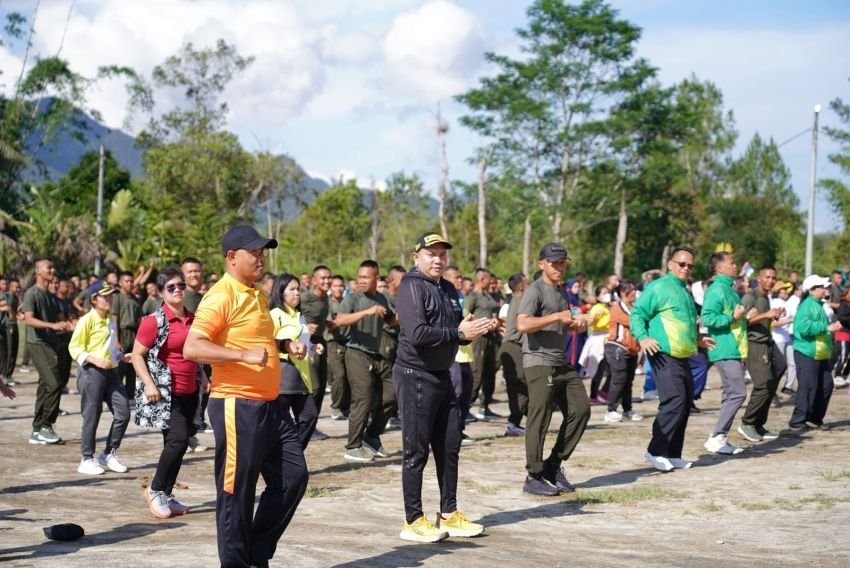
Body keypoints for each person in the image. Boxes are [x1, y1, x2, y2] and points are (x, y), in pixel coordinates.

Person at [183, 224, 308, 568]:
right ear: (231, 257)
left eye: (263, 252)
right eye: (253, 252)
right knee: (237, 491)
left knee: (293, 476)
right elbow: (193, 347)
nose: (261, 257)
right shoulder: (221, 295)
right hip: (237, 403)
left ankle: (255, 552)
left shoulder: (258, 294)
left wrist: (284, 346)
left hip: (272, 403)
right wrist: (242, 356)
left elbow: (256, 340)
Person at [394, 232, 491, 543]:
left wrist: (470, 330)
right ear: (416, 256)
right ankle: (413, 520)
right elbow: (417, 333)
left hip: (442, 374)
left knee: (449, 446)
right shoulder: (411, 286)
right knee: (416, 451)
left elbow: (456, 330)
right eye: (430, 253)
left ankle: (448, 514)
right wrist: (456, 331)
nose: (438, 259)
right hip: (415, 374)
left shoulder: (448, 288)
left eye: (442, 254)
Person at [132, 267, 209, 518]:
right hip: (167, 392)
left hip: (191, 389)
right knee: (177, 441)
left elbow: (195, 352)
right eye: (171, 287)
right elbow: (136, 355)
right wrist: (150, 385)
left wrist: (205, 377)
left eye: (181, 286)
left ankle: (165, 493)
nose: (177, 290)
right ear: (161, 292)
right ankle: (155, 489)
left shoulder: (192, 318)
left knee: (179, 443)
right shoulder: (154, 321)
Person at [631, 246, 715, 472]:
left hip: (682, 356)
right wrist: (643, 337)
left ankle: (673, 453)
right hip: (663, 354)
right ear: (670, 265)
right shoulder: (659, 287)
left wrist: (697, 339)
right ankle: (655, 451)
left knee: (685, 402)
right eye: (681, 263)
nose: (686, 268)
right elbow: (637, 313)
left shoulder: (684, 291)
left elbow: (682, 323)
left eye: (690, 265)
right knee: (674, 401)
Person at [517, 243, 591, 496]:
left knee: (581, 409)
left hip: (560, 361)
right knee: (541, 416)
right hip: (538, 361)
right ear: (541, 264)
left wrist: (573, 326)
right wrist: (556, 318)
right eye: (554, 263)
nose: (559, 267)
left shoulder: (560, 292)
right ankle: (533, 475)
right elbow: (523, 324)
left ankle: (552, 465)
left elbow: (560, 322)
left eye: (562, 263)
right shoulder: (534, 291)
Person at [336, 260, 397, 462]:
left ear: (376, 278)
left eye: (366, 277)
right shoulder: (353, 298)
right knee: (363, 399)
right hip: (356, 353)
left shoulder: (382, 297)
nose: (361, 280)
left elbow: (390, 320)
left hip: (376, 354)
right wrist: (366, 312)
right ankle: (353, 446)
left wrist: (405, 315)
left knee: (392, 394)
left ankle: (372, 435)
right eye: (359, 276)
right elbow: (340, 320)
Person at [67, 280, 131, 475]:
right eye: (106, 296)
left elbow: (109, 347)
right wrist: (94, 360)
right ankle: (86, 458)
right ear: (94, 299)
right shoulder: (87, 320)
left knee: (123, 412)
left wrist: (119, 356)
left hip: (111, 372)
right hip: (91, 373)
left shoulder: (111, 318)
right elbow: (74, 347)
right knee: (91, 416)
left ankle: (109, 453)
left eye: (112, 295)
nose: (110, 299)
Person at [700, 252, 754, 455]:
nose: (736, 265)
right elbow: (707, 318)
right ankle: (717, 436)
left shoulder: (730, 289)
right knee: (739, 393)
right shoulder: (717, 290)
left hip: (735, 348)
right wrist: (733, 316)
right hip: (723, 348)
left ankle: (720, 437)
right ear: (719, 268)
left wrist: (745, 317)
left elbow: (734, 319)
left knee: (731, 394)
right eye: (732, 262)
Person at [269, 273, 322, 448]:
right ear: (280, 292)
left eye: (298, 289)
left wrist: (313, 347)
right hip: (283, 378)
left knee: (309, 417)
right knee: (281, 425)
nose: (297, 293)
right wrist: (287, 348)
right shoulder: (274, 315)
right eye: (291, 289)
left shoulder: (300, 316)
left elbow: (303, 341)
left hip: (303, 378)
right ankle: (283, 459)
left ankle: (292, 455)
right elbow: (268, 343)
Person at [24, 257, 73, 445]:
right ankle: (46, 425)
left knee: (45, 386)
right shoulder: (32, 294)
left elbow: (64, 321)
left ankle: (37, 430)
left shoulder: (52, 297)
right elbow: (28, 319)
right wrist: (52, 325)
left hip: (51, 344)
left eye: (53, 267)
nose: (52, 270)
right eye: (48, 267)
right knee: (54, 385)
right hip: (37, 343)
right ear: (38, 271)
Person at [738, 266, 786, 442]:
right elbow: (741, 321)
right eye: (767, 277)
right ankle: (747, 423)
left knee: (772, 384)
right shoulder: (751, 296)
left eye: (774, 278)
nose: (771, 281)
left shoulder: (766, 297)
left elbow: (759, 318)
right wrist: (767, 314)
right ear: (759, 278)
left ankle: (758, 424)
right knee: (763, 385)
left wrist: (773, 315)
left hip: (767, 343)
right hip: (754, 344)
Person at [789, 275, 841, 430]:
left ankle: (814, 418)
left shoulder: (818, 304)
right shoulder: (807, 305)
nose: (825, 289)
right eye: (822, 287)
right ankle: (797, 420)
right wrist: (827, 328)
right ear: (811, 290)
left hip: (820, 353)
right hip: (807, 351)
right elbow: (803, 328)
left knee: (826, 385)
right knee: (808, 386)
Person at [603, 280, 642, 423]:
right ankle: (611, 410)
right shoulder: (618, 307)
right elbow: (634, 321)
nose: (634, 293)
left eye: (635, 289)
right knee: (619, 379)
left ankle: (627, 410)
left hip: (632, 349)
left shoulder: (634, 307)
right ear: (623, 293)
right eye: (631, 290)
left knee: (628, 381)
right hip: (617, 347)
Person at [466, 268, 501, 420]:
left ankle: (484, 407)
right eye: (488, 279)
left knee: (490, 374)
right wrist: (482, 324)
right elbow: (465, 315)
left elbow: (493, 312)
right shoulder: (472, 297)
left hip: (491, 338)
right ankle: (465, 408)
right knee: (477, 375)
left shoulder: (488, 296)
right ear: (481, 280)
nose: (491, 282)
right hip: (478, 339)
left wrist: (494, 322)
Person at [300, 265, 332, 430]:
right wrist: (304, 327)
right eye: (323, 278)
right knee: (315, 387)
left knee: (320, 389)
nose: (327, 281)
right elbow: (292, 315)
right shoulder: (305, 298)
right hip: (305, 342)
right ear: (314, 280)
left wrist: (327, 324)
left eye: (329, 277)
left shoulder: (325, 296)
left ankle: (312, 427)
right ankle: (306, 424)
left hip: (320, 341)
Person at [499, 272, 529, 436]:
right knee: (522, 384)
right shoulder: (522, 301)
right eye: (528, 283)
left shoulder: (517, 300)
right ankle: (515, 422)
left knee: (520, 386)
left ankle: (516, 421)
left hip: (514, 347)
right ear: (522, 285)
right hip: (512, 347)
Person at [113, 271, 143, 399]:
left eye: (131, 281)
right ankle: (116, 394)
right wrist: (116, 340)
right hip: (121, 331)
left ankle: (130, 395)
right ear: (120, 283)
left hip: (133, 333)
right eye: (127, 281)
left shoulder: (135, 299)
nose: (130, 284)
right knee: (121, 367)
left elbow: (139, 321)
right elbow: (115, 319)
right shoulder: (117, 297)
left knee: (133, 365)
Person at [326, 275, 350, 421]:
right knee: (339, 375)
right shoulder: (328, 304)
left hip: (349, 342)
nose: (338, 289)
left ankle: (345, 407)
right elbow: (330, 324)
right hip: (333, 342)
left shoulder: (348, 302)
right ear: (331, 288)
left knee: (349, 376)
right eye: (335, 286)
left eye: (341, 286)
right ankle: (335, 406)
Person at [582, 285, 611, 404]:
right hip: (599, 340)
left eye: (607, 292)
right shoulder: (597, 307)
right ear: (598, 296)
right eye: (604, 293)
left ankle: (604, 391)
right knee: (598, 369)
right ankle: (593, 395)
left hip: (608, 339)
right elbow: (591, 319)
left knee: (612, 369)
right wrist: (591, 317)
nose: (606, 295)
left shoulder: (608, 307)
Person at [829, 288, 850, 387]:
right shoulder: (844, 305)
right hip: (843, 334)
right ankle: (837, 375)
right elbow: (842, 318)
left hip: (847, 335)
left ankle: (843, 374)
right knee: (842, 355)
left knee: (839, 355)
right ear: (845, 295)